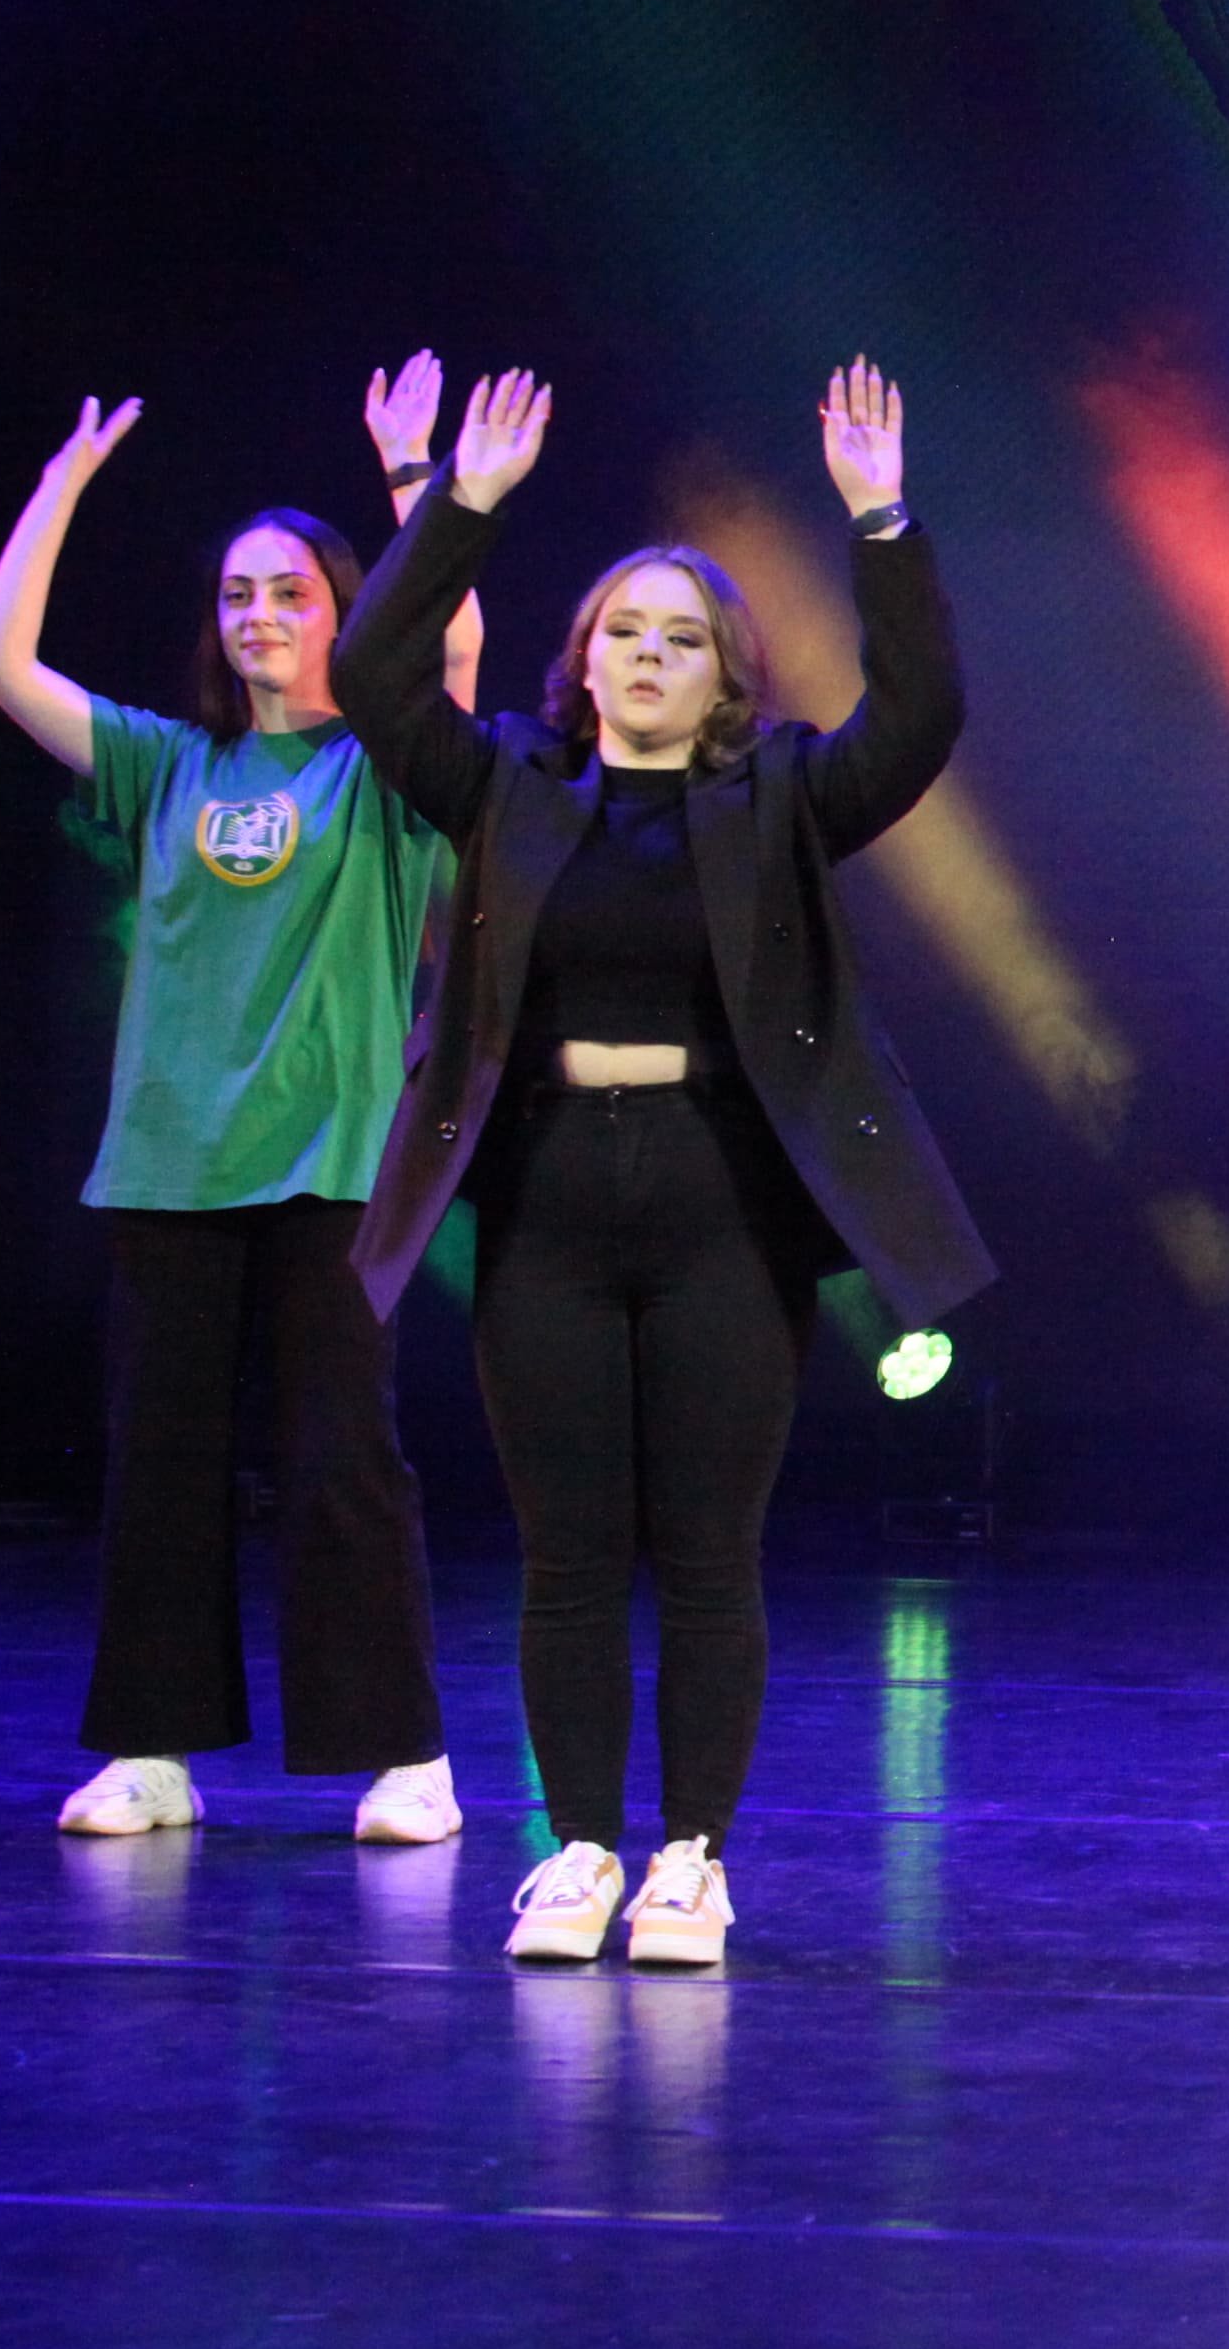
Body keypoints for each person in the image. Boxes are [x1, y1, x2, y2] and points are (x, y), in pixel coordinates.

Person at [339, 360, 993, 1974]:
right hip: (549, 1202)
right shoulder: (506, 782)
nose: (646, 654)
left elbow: (922, 714)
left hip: (724, 1208)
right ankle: (577, 1851)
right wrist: (457, 505)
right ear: (583, 660)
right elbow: (369, 672)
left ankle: (690, 1860)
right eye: (622, 631)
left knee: (707, 1551)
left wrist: (881, 522)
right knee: (567, 1553)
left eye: (681, 637)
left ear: (725, 674)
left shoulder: (783, 794)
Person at [0, 357, 480, 1850]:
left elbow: (451, 648)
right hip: (170, 1164)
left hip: (332, 1164)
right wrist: (60, 485)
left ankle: (405, 1758)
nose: (259, 615)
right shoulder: (167, 761)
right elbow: (0, 663)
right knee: (160, 1471)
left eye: (292, 594)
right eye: (239, 595)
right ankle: (152, 1753)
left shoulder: (387, 771)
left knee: (343, 1464)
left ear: (341, 614)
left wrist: (412, 478)